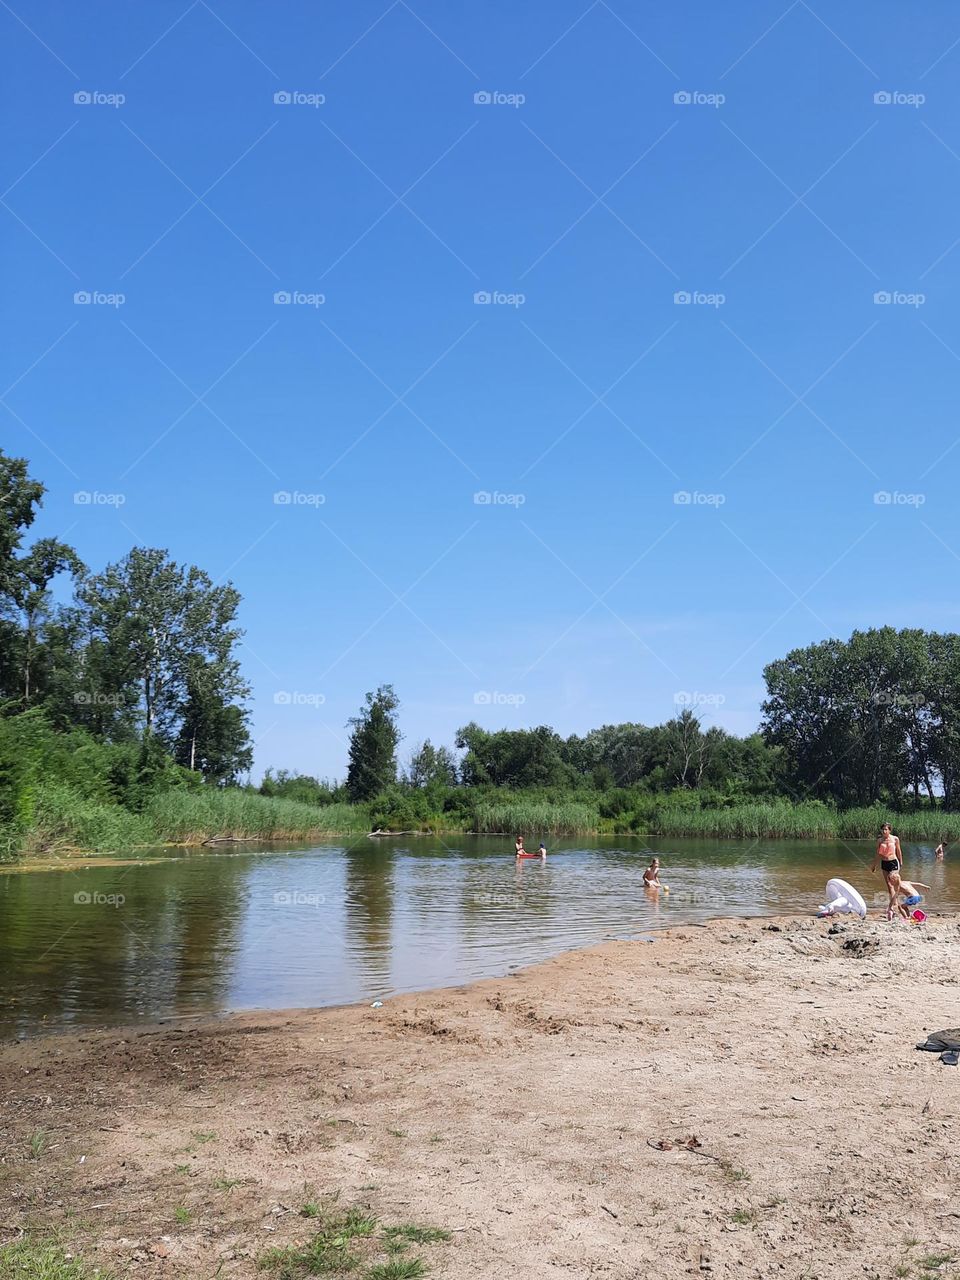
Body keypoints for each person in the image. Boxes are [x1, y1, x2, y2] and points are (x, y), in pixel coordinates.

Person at [871, 822, 903, 894]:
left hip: (893, 862)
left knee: (893, 881)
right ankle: (894, 903)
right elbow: (878, 854)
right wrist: (874, 866)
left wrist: (901, 862)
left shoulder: (895, 839)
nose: (884, 831)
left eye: (886, 829)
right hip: (884, 863)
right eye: (882, 830)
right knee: (889, 885)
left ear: (889, 830)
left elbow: (899, 851)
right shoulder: (880, 840)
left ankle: (898, 899)